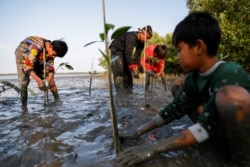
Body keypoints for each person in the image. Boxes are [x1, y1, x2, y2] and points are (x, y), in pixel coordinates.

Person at [117, 11, 250, 166]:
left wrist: (153, 148)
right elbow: (174, 109)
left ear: (199, 47)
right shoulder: (194, 78)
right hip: (213, 125)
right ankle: (210, 140)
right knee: (179, 85)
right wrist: (137, 133)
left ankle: (242, 160)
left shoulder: (229, 73)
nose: (177, 56)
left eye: (180, 50)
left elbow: (209, 122)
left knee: (230, 96)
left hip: (238, 132)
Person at [15, 36, 68, 111]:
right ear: (50, 47)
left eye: (56, 56)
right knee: (24, 82)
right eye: (54, 54)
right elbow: (27, 67)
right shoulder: (37, 47)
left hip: (38, 56)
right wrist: (39, 81)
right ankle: (24, 107)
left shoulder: (51, 52)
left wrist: (51, 81)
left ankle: (58, 100)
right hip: (23, 54)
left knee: (50, 80)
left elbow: (50, 68)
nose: (54, 57)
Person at [109, 25, 153, 94]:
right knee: (119, 71)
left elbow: (137, 55)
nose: (146, 40)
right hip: (116, 49)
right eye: (146, 38)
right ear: (141, 32)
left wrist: (136, 67)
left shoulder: (142, 43)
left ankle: (129, 93)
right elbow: (128, 54)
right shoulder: (131, 36)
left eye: (148, 39)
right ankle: (120, 94)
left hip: (125, 52)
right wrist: (133, 68)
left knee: (128, 73)